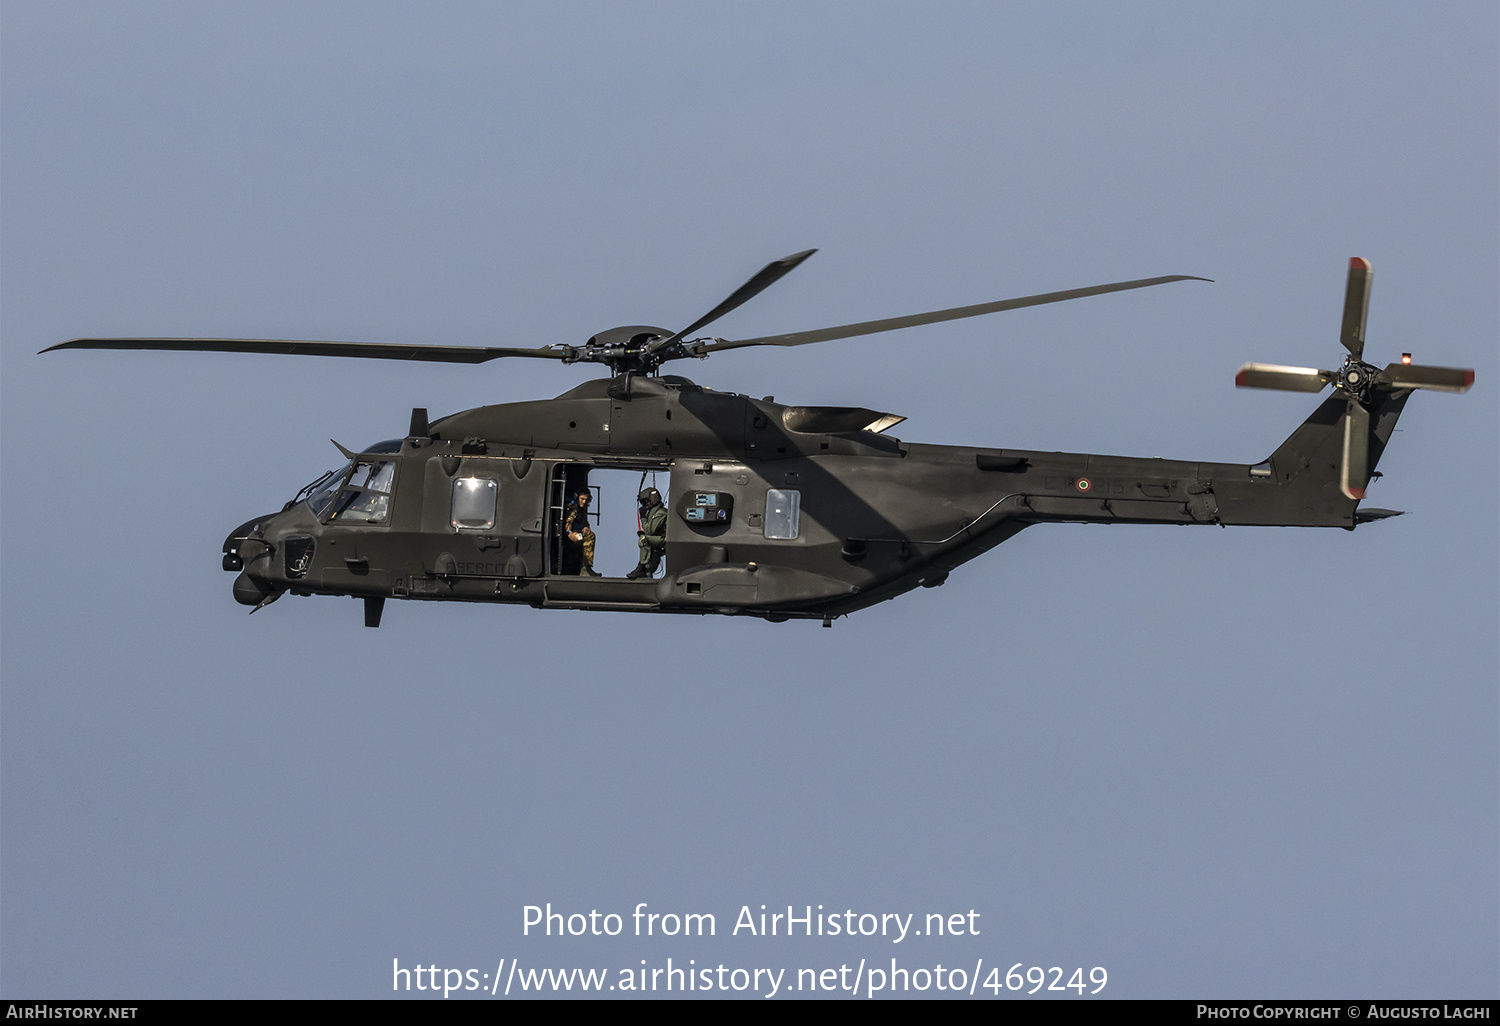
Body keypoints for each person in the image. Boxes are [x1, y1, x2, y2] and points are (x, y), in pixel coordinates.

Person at [626, 487, 667, 579]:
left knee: (644, 539)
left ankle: (641, 568)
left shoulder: (660, 513)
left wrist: (643, 518)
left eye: (645, 502)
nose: (645, 505)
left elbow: (650, 530)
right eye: (642, 503)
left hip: (664, 540)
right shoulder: (653, 513)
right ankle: (646, 570)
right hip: (660, 539)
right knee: (645, 538)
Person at [562, 489, 600, 576]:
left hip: (577, 531)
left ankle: (586, 567)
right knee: (589, 537)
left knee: (589, 535)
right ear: (577, 497)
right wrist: (570, 533)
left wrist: (586, 527)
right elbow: (568, 522)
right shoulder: (573, 507)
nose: (584, 501)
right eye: (582, 499)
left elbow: (584, 521)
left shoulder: (582, 508)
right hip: (570, 533)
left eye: (586, 500)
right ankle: (584, 568)